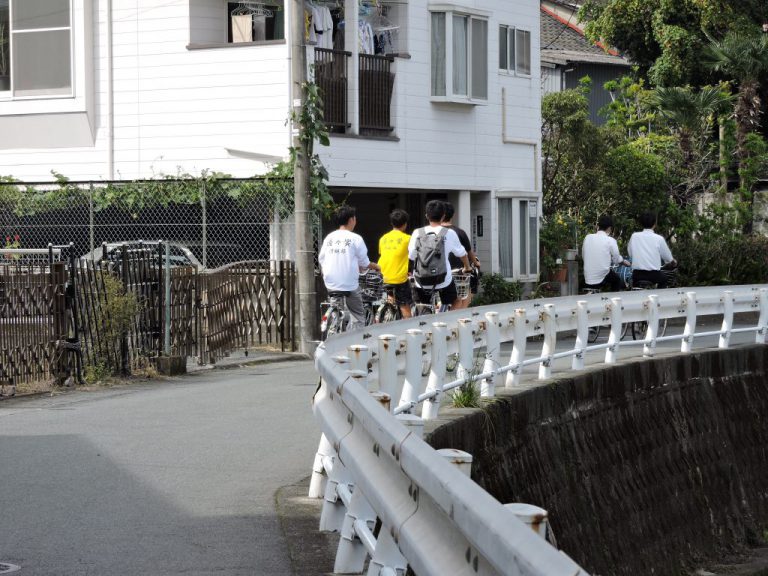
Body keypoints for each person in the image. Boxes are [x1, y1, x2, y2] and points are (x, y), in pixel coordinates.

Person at [318, 205, 380, 327]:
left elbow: (321, 259)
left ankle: (333, 324)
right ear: (351, 220)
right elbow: (365, 263)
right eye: (355, 218)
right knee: (358, 315)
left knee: (336, 307)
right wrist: (376, 266)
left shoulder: (329, 238)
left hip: (330, 283)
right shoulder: (355, 238)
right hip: (349, 285)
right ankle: (355, 342)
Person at [408, 200, 471, 310]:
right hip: (443, 279)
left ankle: (425, 319)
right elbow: (462, 253)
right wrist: (467, 267)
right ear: (443, 216)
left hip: (421, 280)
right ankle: (446, 322)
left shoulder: (417, 232)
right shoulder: (449, 233)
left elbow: (412, 255)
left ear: (427, 216)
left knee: (423, 306)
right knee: (456, 301)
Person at [441, 201, 480, 309]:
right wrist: (476, 263)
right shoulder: (459, 232)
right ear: (452, 215)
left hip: (438, 272)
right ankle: (459, 318)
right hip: (458, 272)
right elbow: (468, 252)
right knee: (462, 297)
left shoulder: (433, 232)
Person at [378, 208, 413, 318]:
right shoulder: (408, 238)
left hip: (383, 276)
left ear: (392, 223)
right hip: (399, 278)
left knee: (391, 296)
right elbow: (413, 256)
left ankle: (389, 311)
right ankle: (409, 328)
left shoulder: (383, 238)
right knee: (405, 305)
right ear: (405, 224)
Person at [627, 211, 677, 288]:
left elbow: (630, 253)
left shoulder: (634, 236)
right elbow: (668, 257)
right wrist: (673, 262)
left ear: (641, 223)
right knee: (664, 279)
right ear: (654, 224)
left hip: (637, 274)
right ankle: (659, 297)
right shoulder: (659, 239)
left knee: (634, 285)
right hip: (654, 275)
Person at [582, 214, 629, 292]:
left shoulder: (587, 237)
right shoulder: (610, 240)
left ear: (598, 226)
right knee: (617, 280)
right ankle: (613, 301)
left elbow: (584, 256)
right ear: (609, 228)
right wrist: (623, 261)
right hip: (601, 276)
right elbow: (616, 259)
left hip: (587, 277)